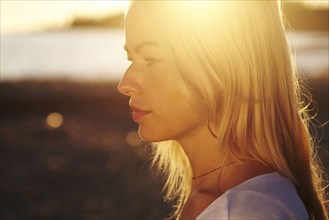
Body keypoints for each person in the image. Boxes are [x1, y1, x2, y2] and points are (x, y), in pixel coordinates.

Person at [117, 1, 328, 219]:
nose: (125, 84)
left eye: (151, 58)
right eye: (131, 58)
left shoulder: (240, 212)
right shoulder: (233, 200)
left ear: (225, 67)